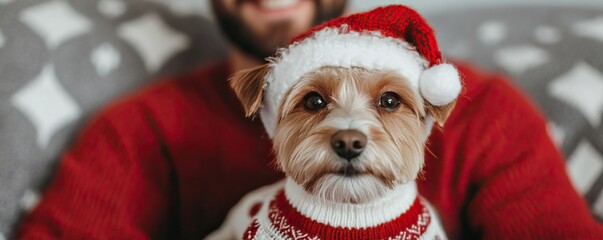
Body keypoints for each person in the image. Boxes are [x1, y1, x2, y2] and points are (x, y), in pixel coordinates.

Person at [17, 0, 603, 239]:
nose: (350, 129)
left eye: (390, 102)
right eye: (313, 100)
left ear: (429, 112)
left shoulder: (487, 112)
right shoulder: (136, 129)